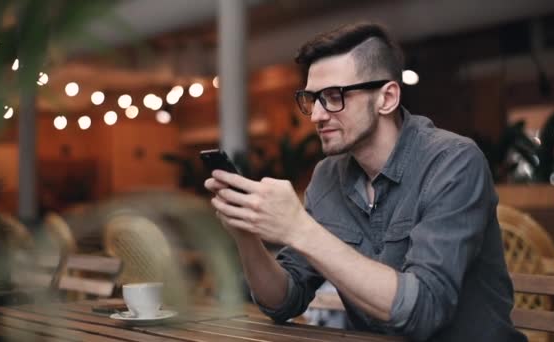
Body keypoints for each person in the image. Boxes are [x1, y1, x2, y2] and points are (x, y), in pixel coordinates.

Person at [205, 22, 526, 341]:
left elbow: (425, 311)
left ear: (387, 98)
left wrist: (299, 228)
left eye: (333, 96)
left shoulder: (453, 162)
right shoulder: (327, 175)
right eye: (311, 98)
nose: (316, 115)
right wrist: (246, 235)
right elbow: (284, 301)